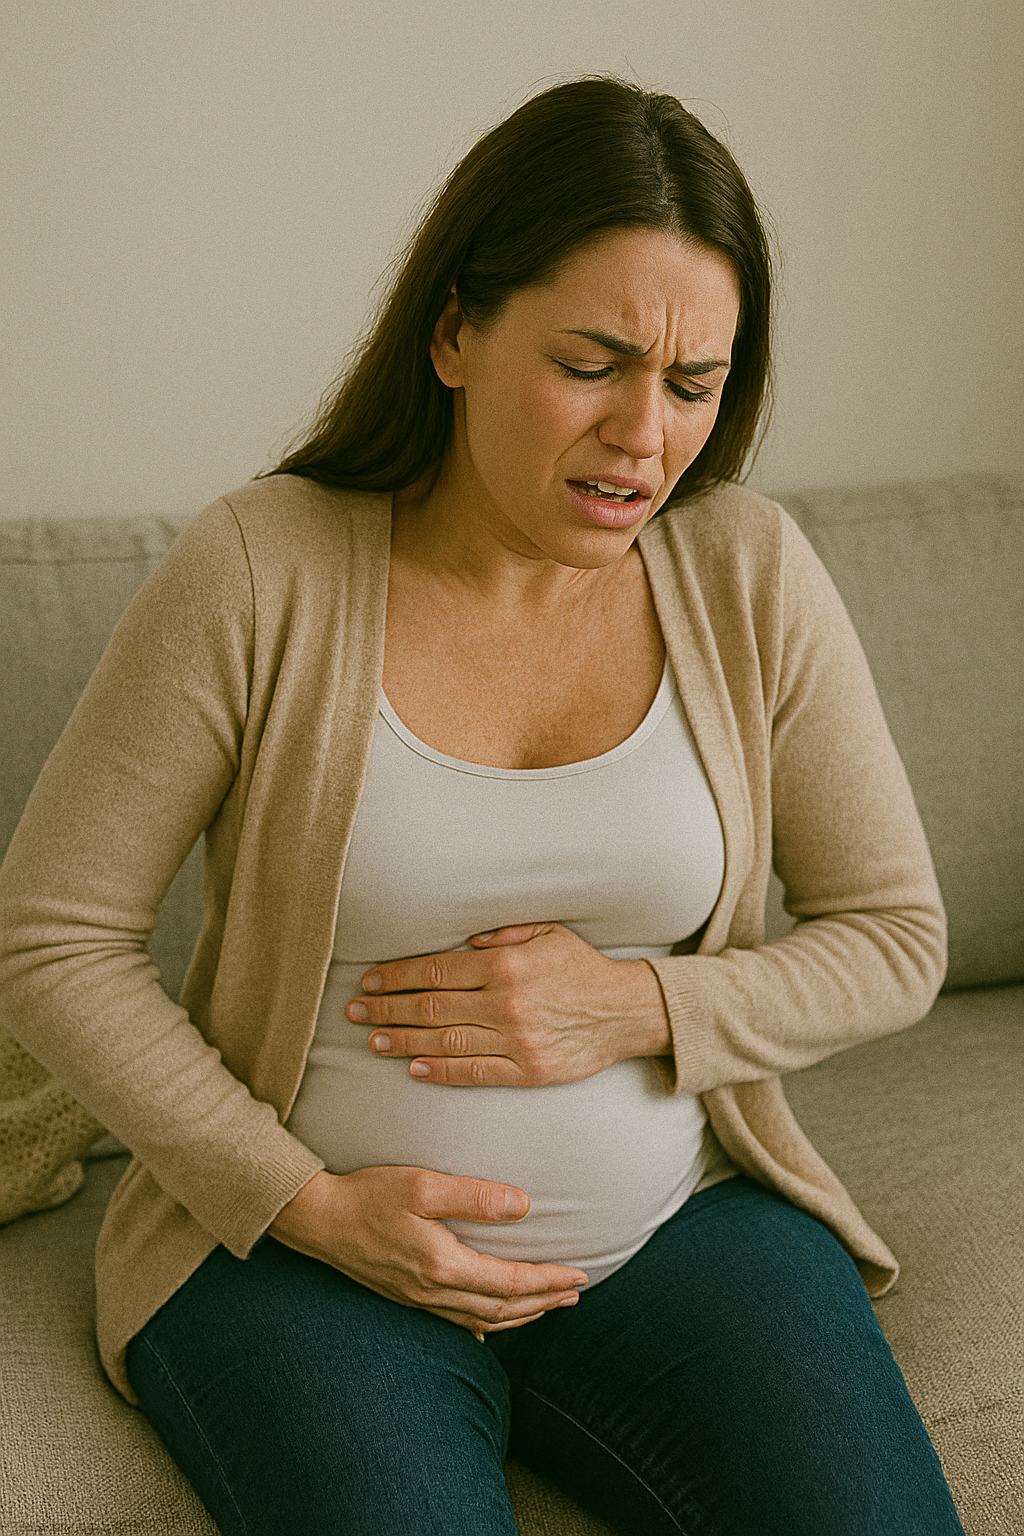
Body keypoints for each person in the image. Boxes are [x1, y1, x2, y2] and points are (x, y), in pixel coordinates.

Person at [0, 77, 965, 1535]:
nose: (644, 437)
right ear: (454, 334)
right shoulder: (260, 568)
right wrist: (305, 1203)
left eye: (694, 384)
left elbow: (896, 936)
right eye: (591, 364)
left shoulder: (749, 571)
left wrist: (638, 1006)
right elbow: (52, 938)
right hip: (302, 1261)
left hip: (679, 1233)